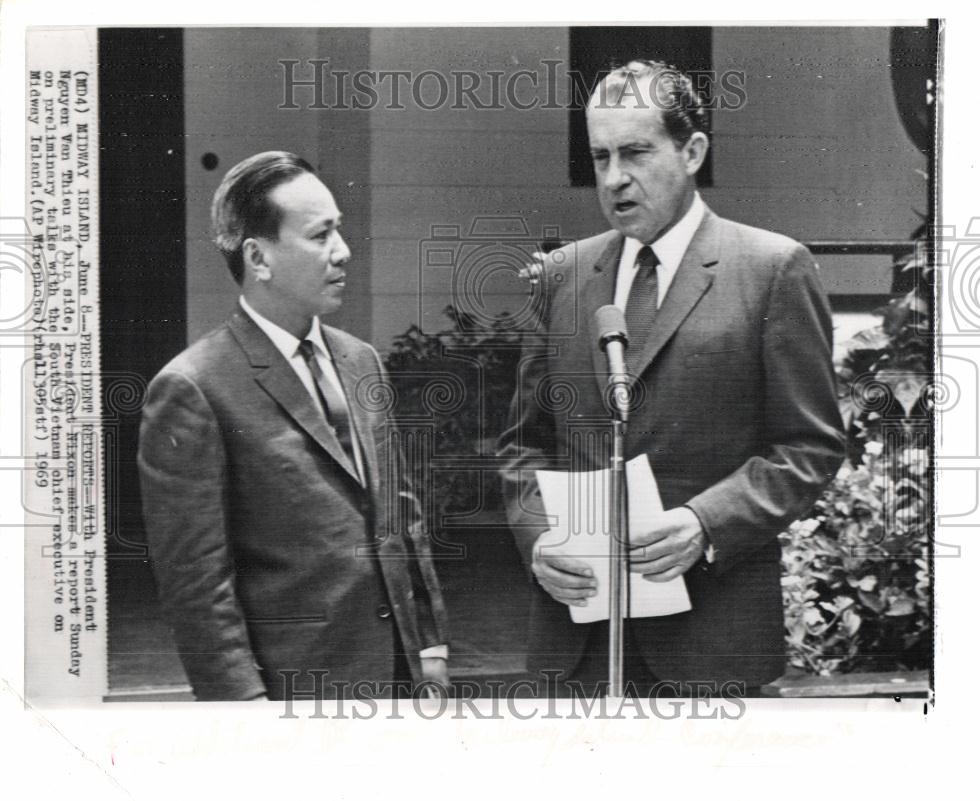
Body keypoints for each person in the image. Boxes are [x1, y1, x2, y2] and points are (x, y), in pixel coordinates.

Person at [497, 62, 845, 697]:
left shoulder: (771, 269)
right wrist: (539, 539)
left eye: (635, 152)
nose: (614, 178)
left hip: (711, 640)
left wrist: (705, 522)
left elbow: (809, 447)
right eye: (600, 156)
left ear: (692, 151)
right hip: (577, 643)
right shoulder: (561, 276)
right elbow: (524, 444)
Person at [138, 151, 448, 701]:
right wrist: (245, 716)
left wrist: (429, 651)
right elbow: (197, 586)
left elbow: (401, 515)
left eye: (340, 231)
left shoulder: (361, 362)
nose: (343, 252)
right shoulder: (194, 388)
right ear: (259, 257)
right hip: (293, 698)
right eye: (320, 235)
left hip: (400, 686)